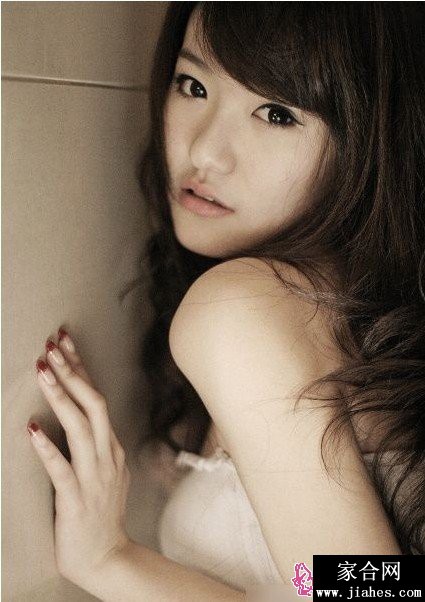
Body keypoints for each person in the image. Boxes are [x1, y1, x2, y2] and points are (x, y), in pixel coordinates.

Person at [28, 3, 425, 601]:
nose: (206, 152)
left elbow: (367, 595)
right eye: (193, 85)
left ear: (372, 138)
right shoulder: (355, 315)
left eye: (277, 113)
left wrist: (110, 562)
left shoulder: (242, 311)